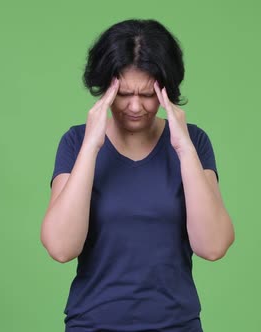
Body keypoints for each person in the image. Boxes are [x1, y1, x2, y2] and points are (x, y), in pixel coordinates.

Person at [41, 19, 235, 332]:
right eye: (124, 93)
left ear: (165, 91)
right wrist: (92, 146)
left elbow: (213, 246)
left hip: (176, 325)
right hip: (92, 324)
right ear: (105, 88)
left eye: (147, 95)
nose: (135, 107)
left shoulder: (193, 141)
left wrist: (183, 148)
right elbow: (61, 248)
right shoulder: (76, 142)